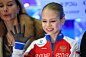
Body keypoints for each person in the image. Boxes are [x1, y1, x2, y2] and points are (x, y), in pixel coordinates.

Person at [12, 2, 80, 57]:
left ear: (62, 21)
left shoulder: (72, 44)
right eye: (44, 21)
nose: (48, 25)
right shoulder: (36, 45)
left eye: (53, 21)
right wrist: (18, 49)